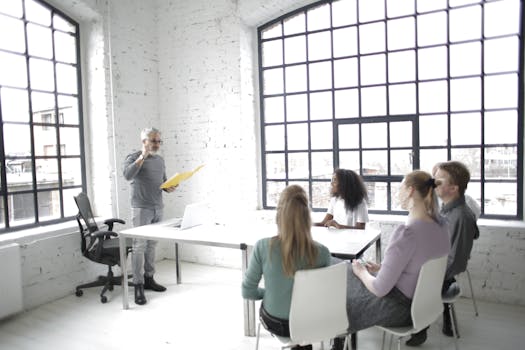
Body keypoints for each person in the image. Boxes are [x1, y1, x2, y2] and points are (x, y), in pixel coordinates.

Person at [331, 170, 450, 350]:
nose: (397, 193)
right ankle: (339, 339)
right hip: (424, 305)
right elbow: (417, 267)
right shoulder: (442, 226)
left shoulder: (407, 233)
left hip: (401, 308)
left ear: (410, 191)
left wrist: (362, 272)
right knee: (347, 273)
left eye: (400, 188)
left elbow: (379, 289)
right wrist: (382, 268)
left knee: (344, 274)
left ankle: (336, 337)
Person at [242, 185, 331, 350]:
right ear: (307, 218)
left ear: (279, 217)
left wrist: (269, 293)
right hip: (309, 324)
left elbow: (247, 291)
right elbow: (324, 298)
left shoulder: (262, 247)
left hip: (276, 322)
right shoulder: (323, 253)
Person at [405, 161, 480, 346]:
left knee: (402, 284)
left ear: (453, 189)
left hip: (441, 275)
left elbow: (456, 260)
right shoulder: (446, 210)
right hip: (435, 268)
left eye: (438, 182)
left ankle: (418, 326)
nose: (433, 184)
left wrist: (428, 275)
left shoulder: (461, 216)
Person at [123, 127, 177, 305]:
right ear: (144, 141)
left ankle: (149, 278)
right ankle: (137, 285)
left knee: (152, 245)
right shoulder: (133, 157)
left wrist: (169, 187)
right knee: (139, 247)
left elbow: (163, 182)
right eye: (153, 141)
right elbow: (127, 175)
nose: (157, 144)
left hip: (158, 208)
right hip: (141, 209)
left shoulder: (160, 160)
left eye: (159, 141)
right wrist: (142, 157)